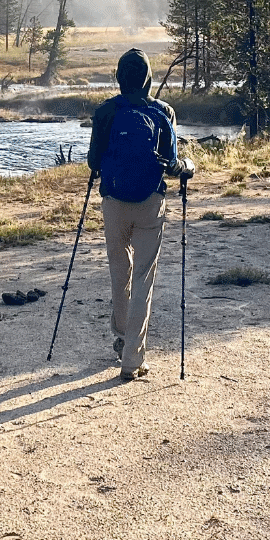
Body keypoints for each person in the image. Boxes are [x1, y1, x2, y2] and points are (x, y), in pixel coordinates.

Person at [87, 48, 194, 381]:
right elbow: (172, 164)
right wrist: (188, 168)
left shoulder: (105, 112)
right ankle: (132, 359)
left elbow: (93, 162)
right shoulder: (163, 113)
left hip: (114, 203)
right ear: (148, 79)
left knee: (120, 273)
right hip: (150, 203)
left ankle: (121, 336)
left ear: (119, 77)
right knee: (143, 279)